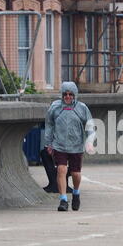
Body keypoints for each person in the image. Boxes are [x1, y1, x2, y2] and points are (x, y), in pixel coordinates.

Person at [44, 81, 95, 212]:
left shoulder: (82, 108)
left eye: (70, 94)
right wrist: (48, 143)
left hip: (76, 146)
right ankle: (63, 200)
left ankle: (76, 193)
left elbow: (90, 126)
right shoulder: (55, 107)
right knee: (61, 170)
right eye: (65, 94)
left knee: (75, 174)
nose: (67, 97)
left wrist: (89, 141)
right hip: (59, 145)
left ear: (75, 95)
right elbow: (49, 125)